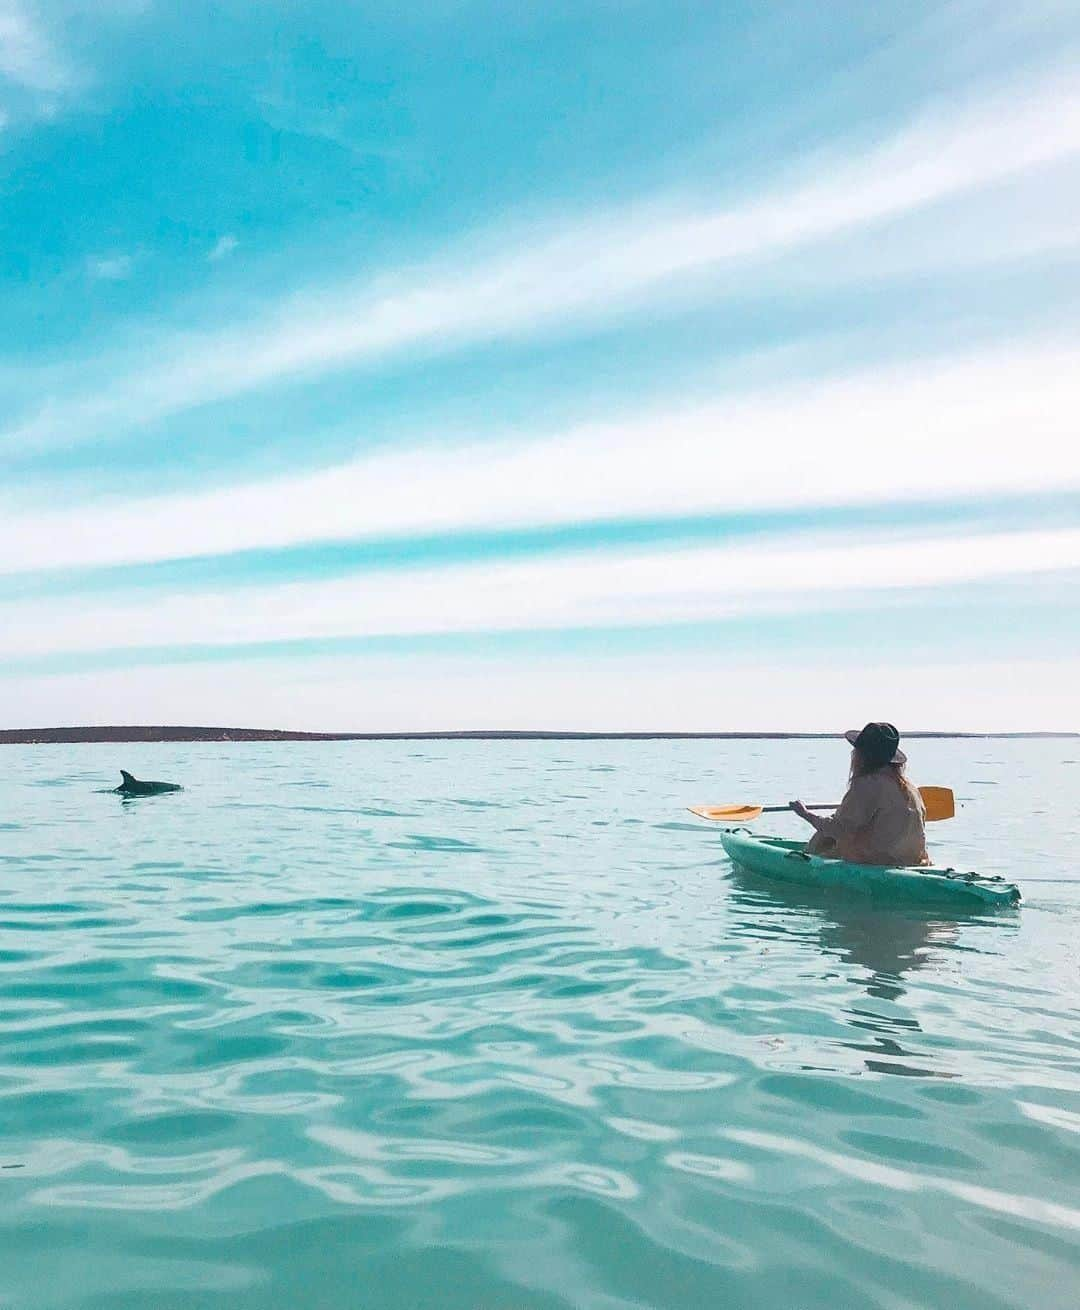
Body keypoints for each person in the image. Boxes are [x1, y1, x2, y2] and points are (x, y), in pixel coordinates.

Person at [789, 722, 929, 867]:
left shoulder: (867, 784)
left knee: (825, 834)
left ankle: (801, 864)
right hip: (913, 862)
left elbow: (839, 830)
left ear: (863, 755)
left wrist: (805, 814)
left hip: (876, 863)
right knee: (831, 825)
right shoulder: (911, 787)